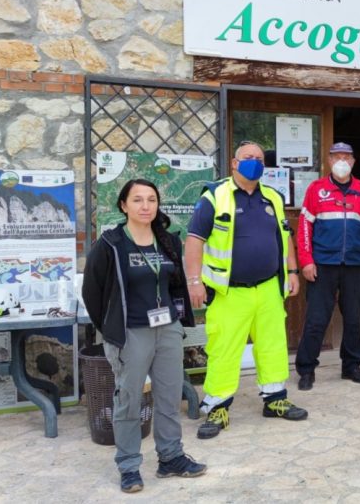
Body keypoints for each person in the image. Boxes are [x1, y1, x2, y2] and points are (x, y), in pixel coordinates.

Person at [83, 179, 206, 493]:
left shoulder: (167, 242)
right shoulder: (110, 244)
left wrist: (177, 321)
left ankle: (171, 457)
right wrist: (112, 330)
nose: (145, 206)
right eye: (137, 200)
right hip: (131, 333)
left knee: (168, 397)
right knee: (128, 399)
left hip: (167, 329)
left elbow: (175, 284)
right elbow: (92, 292)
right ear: (124, 205)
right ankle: (128, 466)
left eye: (151, 199)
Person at [184, 141, 305, 440]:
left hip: (268, 289)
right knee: (224, 349)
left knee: (273, 346)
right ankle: (218, 407)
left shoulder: (273, 197)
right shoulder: (214, 196)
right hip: (229, 292)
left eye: (260, 159)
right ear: (234, 164)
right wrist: (194, 281)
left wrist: (292, 271)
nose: (254, 162)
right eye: (248, 158)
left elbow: (285, 236)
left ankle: (275, 399)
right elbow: (194, 240)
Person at [295, 142, 360, 389]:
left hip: (354, 265)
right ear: (329, 161)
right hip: (323, 265)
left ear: (353, 161)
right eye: (336, 157)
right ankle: (307, 369)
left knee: (353, 319)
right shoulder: (316, 188)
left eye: (347, 157)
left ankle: (351, 366)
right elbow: (304, 227)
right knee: (316, 319)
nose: (342, 161)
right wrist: (307, 261)